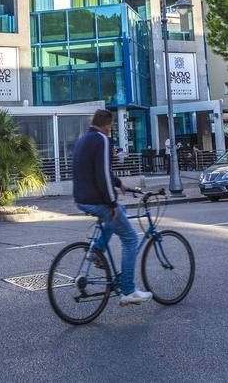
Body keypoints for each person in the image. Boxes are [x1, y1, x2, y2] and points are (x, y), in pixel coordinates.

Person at [71, 109, 152, 306]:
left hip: (81, 198)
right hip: (96, 200)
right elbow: (102, 175)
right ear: (108, 125)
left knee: (120, 213)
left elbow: (100, 171)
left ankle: (96, 251)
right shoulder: (102, 140)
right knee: (130, 238)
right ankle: (128, 291)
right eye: (112, 126)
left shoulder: (84, 138)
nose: (112, 129)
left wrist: (119, 184)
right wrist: (112, 202)